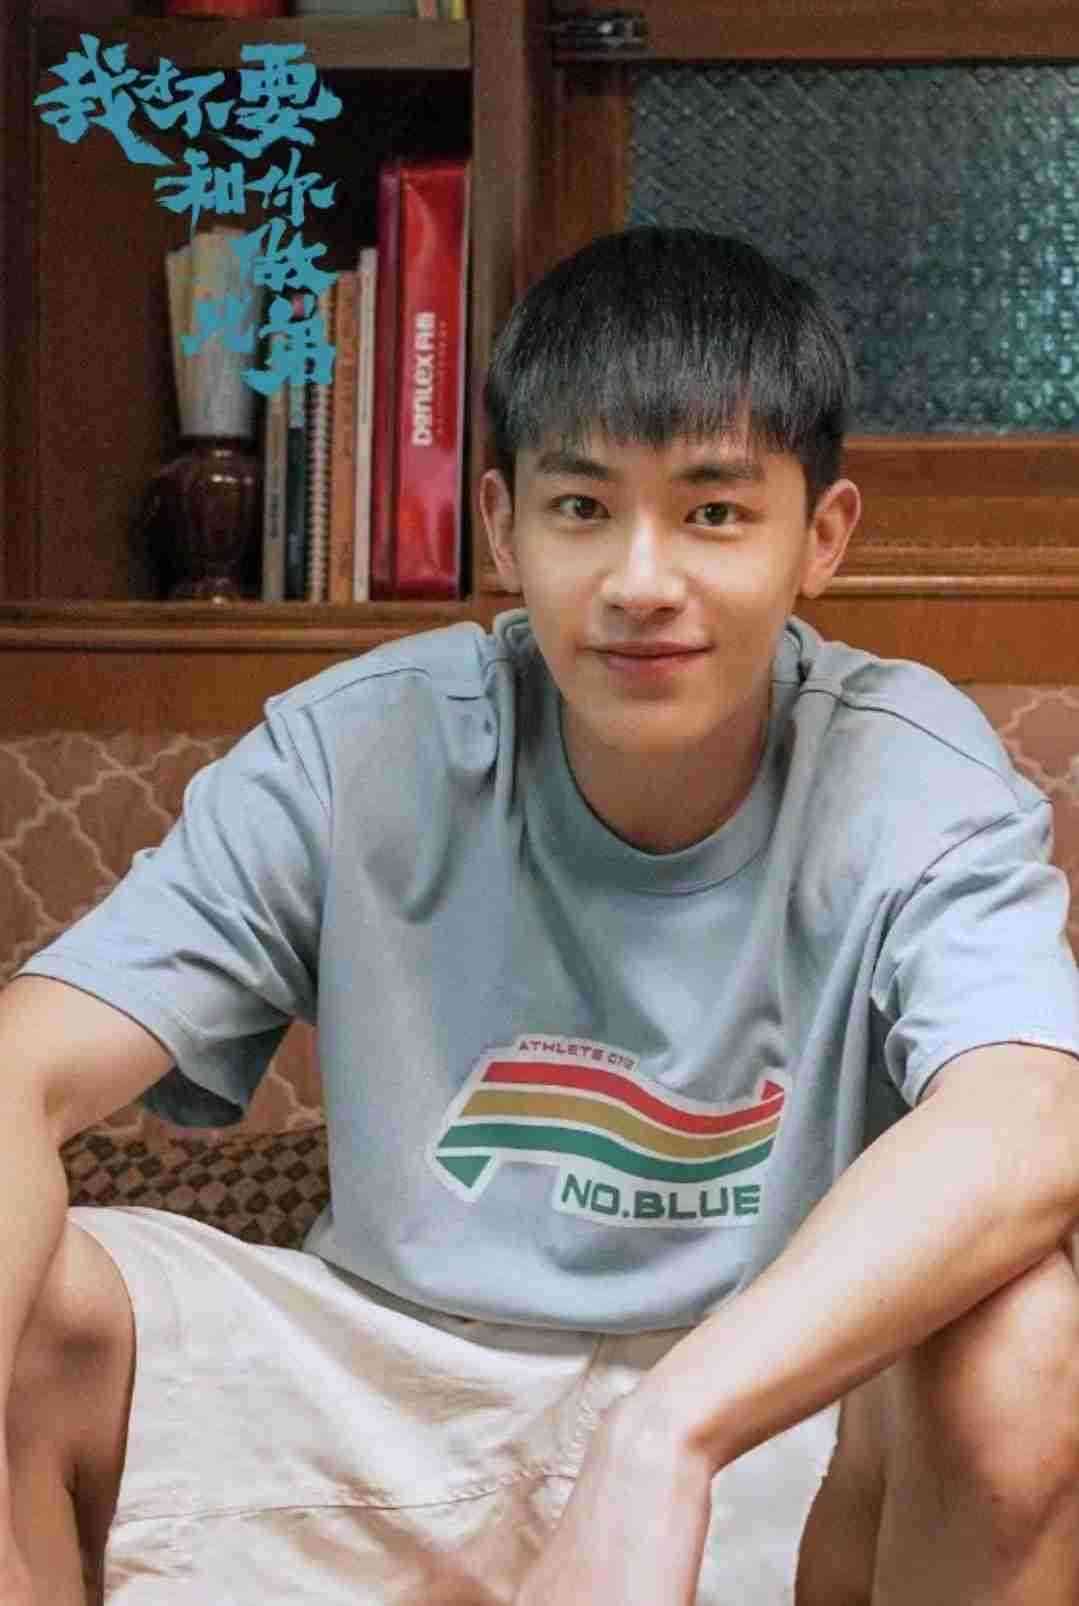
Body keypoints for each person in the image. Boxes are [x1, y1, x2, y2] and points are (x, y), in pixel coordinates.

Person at [3, 227, 1079, 1606]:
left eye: (714, 513)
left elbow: (1034, 1112)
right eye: (583, 507)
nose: (642, 580)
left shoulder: (906, 766)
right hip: (394, 1398)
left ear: (822, 537)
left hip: (763, 1413)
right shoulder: (362, 746)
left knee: (1024, 1333)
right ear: (504, 527)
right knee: (32, 1299)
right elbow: (24, 1068)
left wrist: (668, 1430)